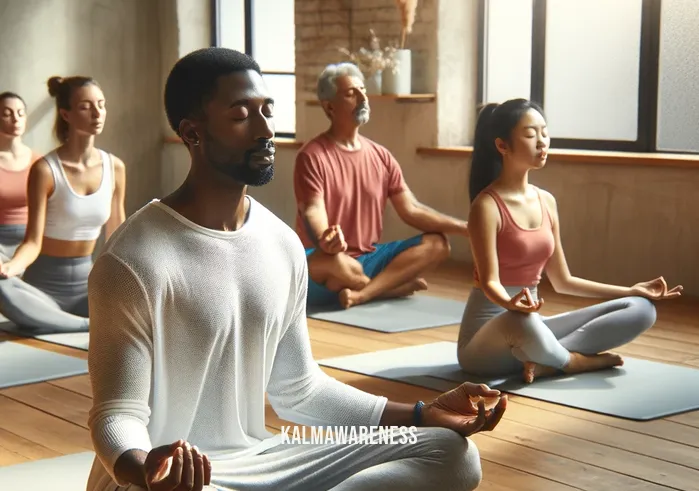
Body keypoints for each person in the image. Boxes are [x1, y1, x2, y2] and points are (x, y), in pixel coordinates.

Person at [85, 47, 507, 491]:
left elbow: (300, 390)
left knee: (450, 452)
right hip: (163, 480)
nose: (265, 128)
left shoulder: (280, 243)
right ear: (193, 132)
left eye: (267, 109)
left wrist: (423, 413)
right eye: (241, 114)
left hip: (259, 458)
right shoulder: (131, 260)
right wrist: (146, 470)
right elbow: (117, 416)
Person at [458, 99, 683, 384]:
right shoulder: (486, 206)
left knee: (641, 308)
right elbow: (490, 282)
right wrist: (511, 303)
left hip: (531, 326)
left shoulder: (547, 202)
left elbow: (563, 280)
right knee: (522, 322)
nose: (542, 143)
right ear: (502, 146)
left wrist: (630, 290)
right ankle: (573, 362)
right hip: (486, 342)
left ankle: (547, 361)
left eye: (544, 133)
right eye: (530, 135)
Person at [293, 62, 469, 309]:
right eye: (351, 93)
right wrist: (325, 239)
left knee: (438, 245)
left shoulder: (381, 156)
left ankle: (362, 293)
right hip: (324, 259)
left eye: (363, 90)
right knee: (342, 266)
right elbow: (312, 208)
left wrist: (465, 228)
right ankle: (387, 288)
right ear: (329, 106)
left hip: (368, 256)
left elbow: (412, 210)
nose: (363, 98)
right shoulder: (311, 155)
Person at [0, 76, 126, 333]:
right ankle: (86, 325)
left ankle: (66, 323)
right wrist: (10, 267)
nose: (97, 113)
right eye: (85, 107)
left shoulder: (115, 167)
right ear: (66, 114)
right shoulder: (44, 170)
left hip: (88, 287)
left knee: (144, 297)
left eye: (101, 104)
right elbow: (33, 242)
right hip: (41, 291)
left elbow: (117, 237)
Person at [0, 92, 42, 262]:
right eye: (7, 114)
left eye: (20, 113)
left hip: (32, 240)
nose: (15, 119)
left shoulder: (39, 162)